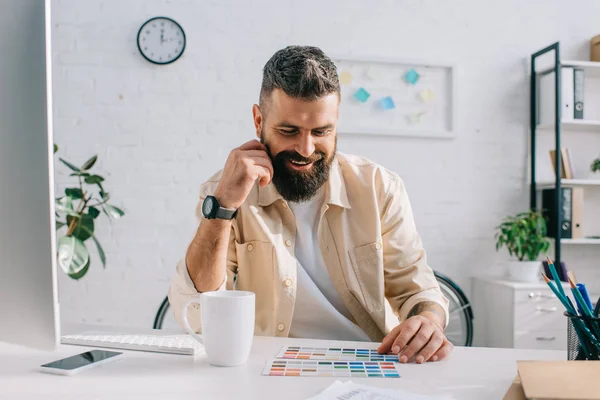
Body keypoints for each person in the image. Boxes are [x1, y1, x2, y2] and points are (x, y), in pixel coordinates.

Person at [168, 45, 453, 364]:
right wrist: (222, 208)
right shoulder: (226, 192)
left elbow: (417, 288)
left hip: (365, 363)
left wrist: (428, 321)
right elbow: (196, 314)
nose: (305, 149)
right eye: (288, 131)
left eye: (321, 131)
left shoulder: (378, 187)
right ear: (258, 119)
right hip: (267, 366)